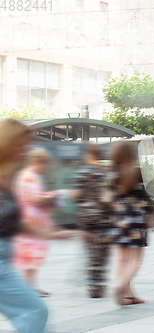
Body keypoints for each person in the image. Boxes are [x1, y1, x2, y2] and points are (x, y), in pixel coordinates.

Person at [0, 119, 81, 333]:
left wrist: (53, 234)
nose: (25, 150)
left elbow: (13, 222)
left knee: (32, 312)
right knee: (34, 312)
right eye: (21, 144)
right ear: (7, 143)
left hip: (4, 256)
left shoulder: (8, 178)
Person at [109, 141, 154, 306]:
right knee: (135, 258)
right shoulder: (136, 172)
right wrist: (151, 218)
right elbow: (144, 196)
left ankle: (128, 295)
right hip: (135, 218)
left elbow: (109, 199)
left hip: (118, 218)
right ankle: (121, 287)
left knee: (121, 258)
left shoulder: (111, 174)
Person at [12, 148, 63, 297]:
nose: (45, 167)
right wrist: (53, 195)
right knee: (30, 256)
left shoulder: (29, 175)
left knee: (32, 257)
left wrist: (48, 197)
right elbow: (35, 198)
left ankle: (31, 286)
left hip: (32, 222)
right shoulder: (29, 176)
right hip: (30, 223)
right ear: (37, 161)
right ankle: (28, 288)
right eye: (44, 164)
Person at [73, 144, 113, 298]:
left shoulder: (82, 172)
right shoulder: (106, 172)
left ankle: (92, 285)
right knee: (103, 253)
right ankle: (99, 286)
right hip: (104, 218)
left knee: (90, 253)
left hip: (86, 219)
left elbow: (76, 195)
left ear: (88, 154)